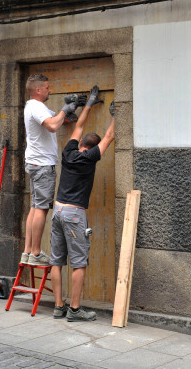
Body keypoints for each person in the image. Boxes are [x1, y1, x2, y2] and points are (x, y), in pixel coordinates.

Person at [50, 88, 114, 322]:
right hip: (74, 214)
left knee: (57, 261)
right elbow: (108, 137)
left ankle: (59, 306)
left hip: (57, 211)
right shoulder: (90, 158)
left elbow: (77, 127)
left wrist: (89, 104)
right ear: (94, 148)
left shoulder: (69, 152)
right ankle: (74, 310)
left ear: (80, 144)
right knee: (79, 264)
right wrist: (117, 115)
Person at [22, 74, 80, 266]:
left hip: (35, 163)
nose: (50, 90)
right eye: (47, 87)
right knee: (41, 209)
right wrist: (64, 110)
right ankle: (36, 253)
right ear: (38, 90)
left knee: (34, 207)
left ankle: (28, 251)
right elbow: (53, 125)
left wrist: (67, 114)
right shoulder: (36, 106)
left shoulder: (34, 106)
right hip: (42, 165)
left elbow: (55, 120)